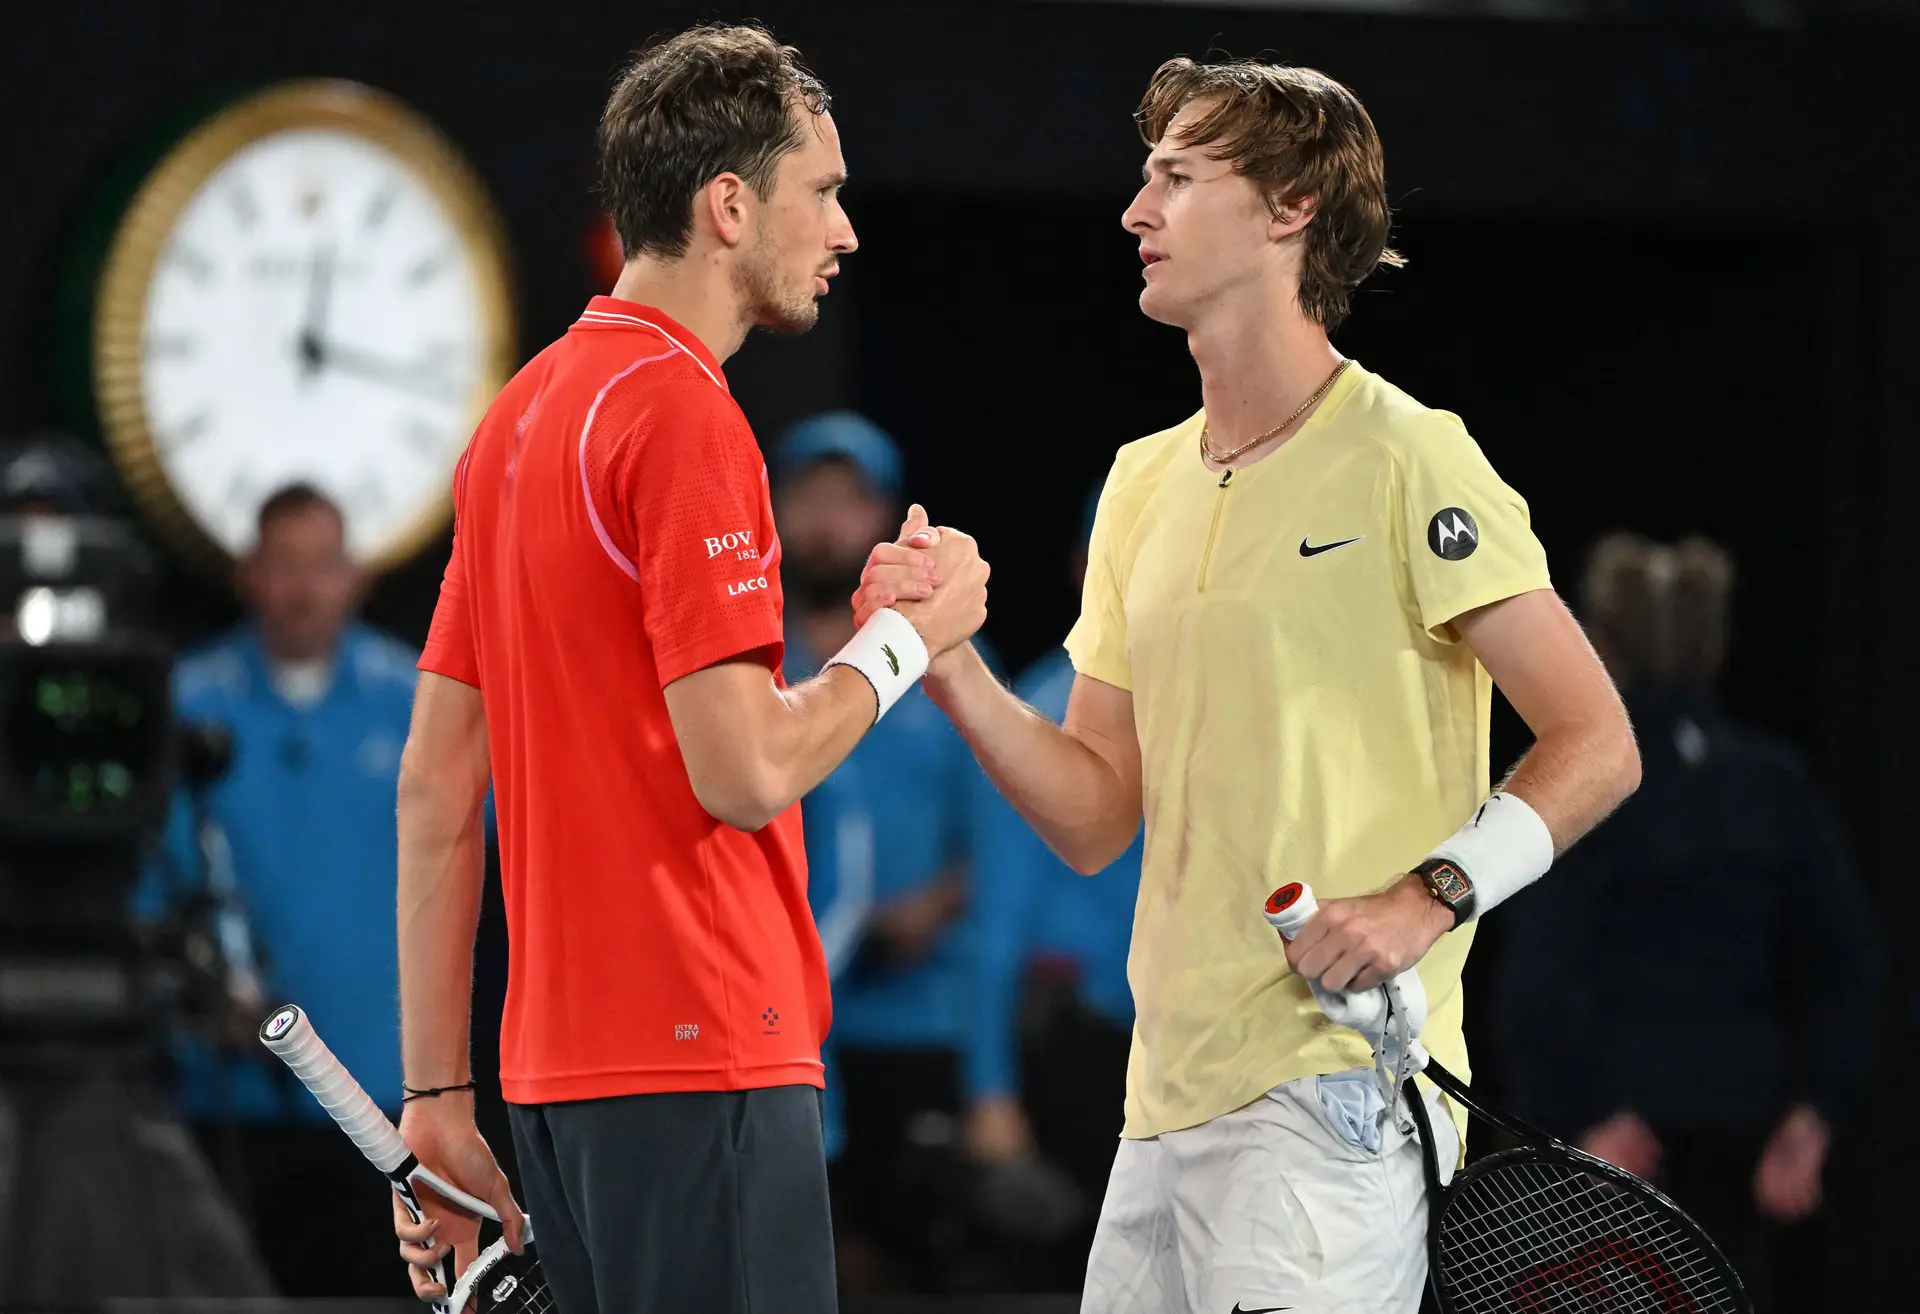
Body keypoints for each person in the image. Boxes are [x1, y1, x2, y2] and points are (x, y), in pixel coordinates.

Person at [856, 56, 1641, 1314]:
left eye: (1177, 176)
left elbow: (1597, 739)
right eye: (1144, 176)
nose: (1135, 210)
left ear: (1289, 210)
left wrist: (1430, 895)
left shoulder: (1409, 456)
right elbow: (1096, 813)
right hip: (1160, 1112)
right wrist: (951, 668)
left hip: (1332, 1099)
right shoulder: (1139, 485)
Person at [390, 24, 988, 1314]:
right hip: (704, 1052)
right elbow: (747, 767)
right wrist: (908, 645)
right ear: (730, 204)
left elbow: (436, 791)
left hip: (553, 1080)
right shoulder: (685, 412)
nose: (845, 231)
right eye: (822, 192)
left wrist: (437, 1100)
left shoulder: (516, 421)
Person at [1490, 533, 1883, 1313]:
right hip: (1743, 1158)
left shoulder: (1583, 783)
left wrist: (1584, 1118)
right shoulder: (1774, 784)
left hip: (1608, 1161)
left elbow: (1539, 969)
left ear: (1598, 641)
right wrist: (1811, 1119)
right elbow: (1847, 963)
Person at [147, 482, 420, 1296]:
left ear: (359, 575)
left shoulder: (419, 703)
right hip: (218, 1095)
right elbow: (140, 888)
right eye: (284, 565)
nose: (304, 589)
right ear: (247, 574)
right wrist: (191, 992)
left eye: (324, 564)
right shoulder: (184, 704)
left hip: (377, 1100)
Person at [772, 411, 993, 1293]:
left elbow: (998, 846)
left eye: (847, 497)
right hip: (783, 1022)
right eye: (806, 497)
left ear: (883, 517)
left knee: (910, 1269)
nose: (825, 519)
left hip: (910, 1020)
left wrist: (934, 904)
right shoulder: (741, 665)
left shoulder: (941, 661)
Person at [963, 481, 1146, 1289]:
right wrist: (990, 1092)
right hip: (1079, 1058)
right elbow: (992, 927)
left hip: (1195, 1046)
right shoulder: (1033, 717)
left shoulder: (1225, 715)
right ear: (1085, 569)